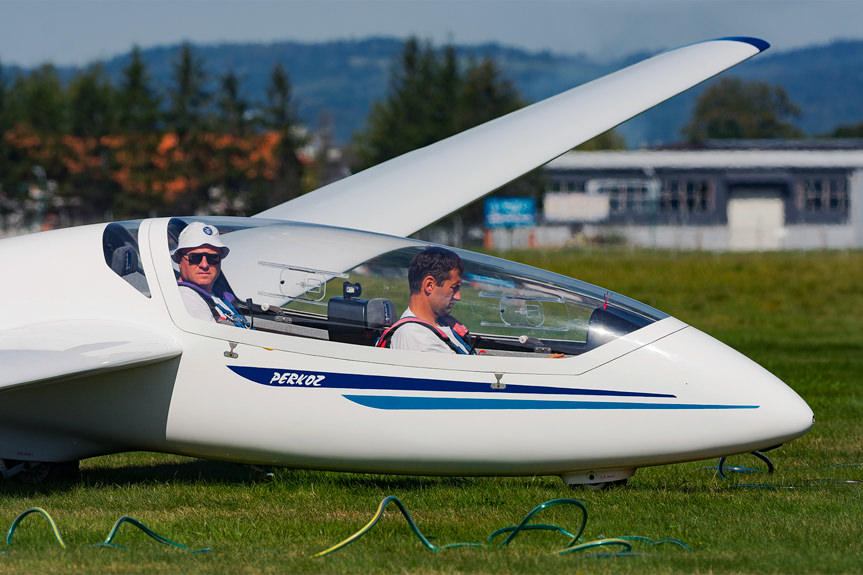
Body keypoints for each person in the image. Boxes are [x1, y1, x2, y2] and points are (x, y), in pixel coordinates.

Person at [379, 246, 474, 354]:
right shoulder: (415, 335)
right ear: (429, 285)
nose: (458, 297)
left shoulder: (442, 324)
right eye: (454, 287)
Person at [172, 221, 249, 327]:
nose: (204, 265)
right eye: (195, 257)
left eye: (212, 258)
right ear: (179, 260)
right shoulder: (187, 298)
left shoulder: (219, 296)